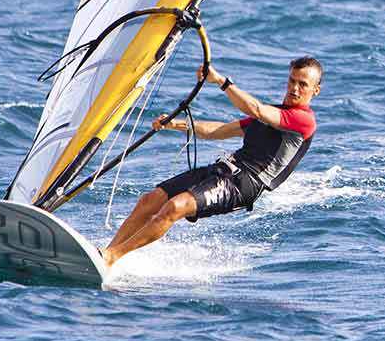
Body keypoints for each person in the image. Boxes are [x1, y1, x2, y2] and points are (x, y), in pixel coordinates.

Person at [100, 55, 322, 266]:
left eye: (303, 84)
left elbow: (256, 109)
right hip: (223, 168)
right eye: (292, 80)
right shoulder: (271, 114)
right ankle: (106, 253)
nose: (294, 88)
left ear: (315, 90)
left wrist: (221, 81)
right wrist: (175, 124)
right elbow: (217, 131)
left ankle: (112, 256)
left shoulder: (303, 121)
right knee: (150, 200)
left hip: (244, 184)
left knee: (175, 207)